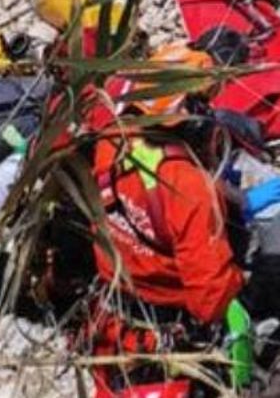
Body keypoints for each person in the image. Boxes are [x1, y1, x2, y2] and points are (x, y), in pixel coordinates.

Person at [77, 44, 255, 397]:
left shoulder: (113, 140)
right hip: (165, 334)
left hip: (111, 322)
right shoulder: (191, 189)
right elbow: (209, 299)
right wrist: (243, 282)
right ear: (187, 113)